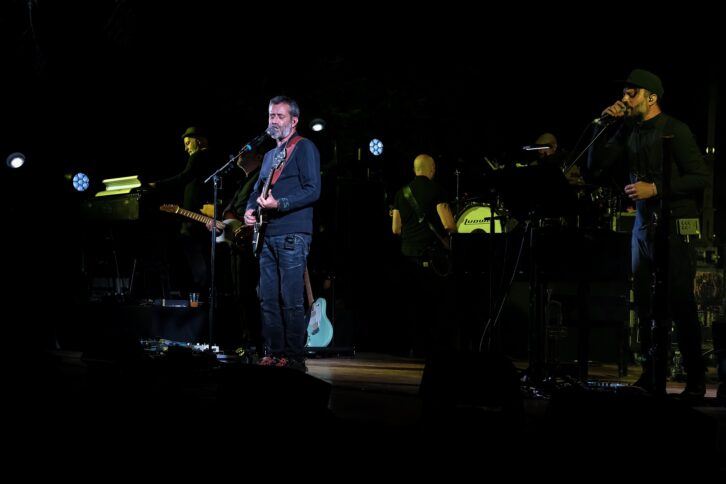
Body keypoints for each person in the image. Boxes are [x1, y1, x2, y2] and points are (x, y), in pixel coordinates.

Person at [588, 69, 710, 397]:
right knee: (644, 303)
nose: (625, 99)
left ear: (651, 98)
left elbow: (700, 177)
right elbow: (595, 168)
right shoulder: (628, 130)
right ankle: (651, 373)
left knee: (680, 302)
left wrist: (655, 188)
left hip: (675, 226)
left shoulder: (675, 129)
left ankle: (695, 378)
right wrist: (604, 126)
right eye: (624, 94)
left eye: (632, 93)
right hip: (643, 228)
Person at [243, 96, 321, 371]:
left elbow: (313, 189)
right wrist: (250, 209)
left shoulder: (304, 148)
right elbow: (256, 190)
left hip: (292, 233)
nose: (273, 120)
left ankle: (294, 356)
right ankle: (274, 352)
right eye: (271, 115)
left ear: (294, 120)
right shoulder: (268, 156)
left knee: (291, 300)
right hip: (266, 233)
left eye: (279, 116)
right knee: (268, 298)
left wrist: (281, 203)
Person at [391, 154, 457, 357]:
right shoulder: (438, 190)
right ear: (431, 168)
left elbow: (395, 229)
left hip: (407, 257)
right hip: (431, 257)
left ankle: (413, 347)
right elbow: (448, 225)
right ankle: (432, 349)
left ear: (414, 169)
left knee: (412, 305)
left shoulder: (401, 192)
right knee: (433, 304)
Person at [150, 126, 218, 299]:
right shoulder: (210, 158)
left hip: (194, 219)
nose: (186, 148)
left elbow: (184, 177)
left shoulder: (199, 156)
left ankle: (197, 295)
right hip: (201, 217)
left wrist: (157, 185)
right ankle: (203, 294)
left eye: (188, 143)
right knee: (200, 256)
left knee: (194, 257)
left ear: (199, 141)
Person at [207, 151, 262, 352]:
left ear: (259, 157)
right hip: (236, 242)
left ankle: (255, 341)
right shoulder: (243, 182)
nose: (240, 155)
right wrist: (216, 222)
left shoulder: (262, 176)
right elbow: (231, 214)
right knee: (239, 292)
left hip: (252, 240)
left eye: (246, 153)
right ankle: (247, 340)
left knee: (247, 292)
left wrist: (249, 226)